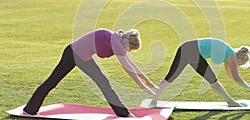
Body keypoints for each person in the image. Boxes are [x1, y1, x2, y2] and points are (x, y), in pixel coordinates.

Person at [23, 29, 157, 117]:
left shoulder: (120, 42)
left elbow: (131, 64)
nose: (129, 52)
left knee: (104, 82)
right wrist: (143, 87)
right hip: (72, 54)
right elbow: (127, 68)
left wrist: (149, 82)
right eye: (131, 49)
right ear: (128, 43)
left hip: (85, 58)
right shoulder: (116, 42)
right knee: (52, 82)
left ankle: (123, 113)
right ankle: (30, 110)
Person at [152, 38, 250, 107]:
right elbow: (236, 78)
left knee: (169, 78)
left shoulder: (229, 55)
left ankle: (153, 101)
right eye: (239, 65)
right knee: (213, 82)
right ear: (239, 59)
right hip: (192, 51)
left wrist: (244, 84)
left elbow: (231, 77)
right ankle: (231, 102)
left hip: (186, 48)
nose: (237, 66)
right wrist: (248, 86)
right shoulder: (231, 55)